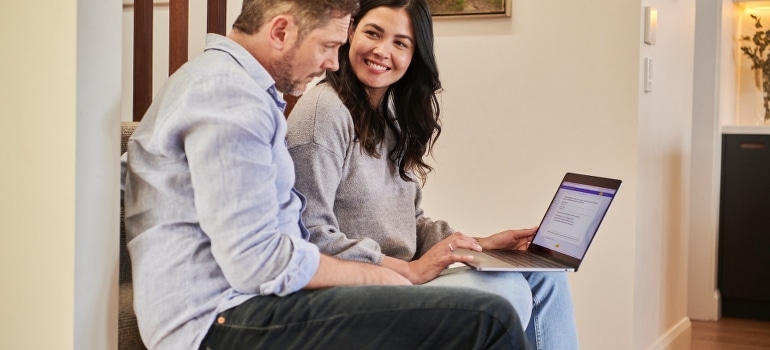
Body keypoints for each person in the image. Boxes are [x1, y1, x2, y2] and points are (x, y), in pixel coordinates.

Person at [123, 0, 532, 349]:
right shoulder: (227, 97)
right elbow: (258, 260)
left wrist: (468, 247)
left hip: (251, 302)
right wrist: (380, 275)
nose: (331, 63)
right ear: (281, 31)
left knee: (515, 290)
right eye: (328, 45)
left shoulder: (241, 93)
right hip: (219, 318)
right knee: (489, 317)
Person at [285, 0, 579, 349]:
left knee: (546, 277)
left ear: (414, 55)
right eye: (373, 33)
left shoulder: (389, 114)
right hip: (362, 287)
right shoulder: (324, 112)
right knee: (508, 291)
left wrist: (477, 244)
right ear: (351, 32)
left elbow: (409, 220)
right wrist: (407, 270)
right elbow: (310, 236)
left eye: (400, 43)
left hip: (405, 274)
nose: (382, 51)